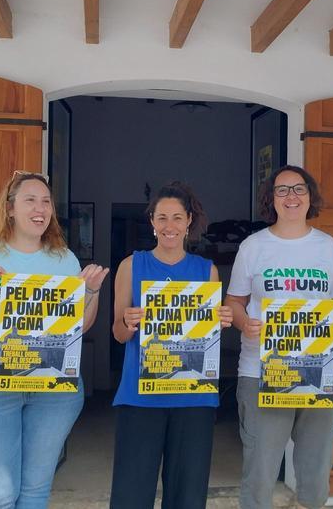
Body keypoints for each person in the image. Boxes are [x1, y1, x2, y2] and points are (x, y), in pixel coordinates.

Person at [0, 171, 109, 509]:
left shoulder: (64, 260)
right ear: (10, 208)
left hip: (51, 380)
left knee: (35, 491)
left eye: (46, 201)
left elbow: (78, 326)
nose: (40, 208)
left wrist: (90, 292)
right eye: (30, 199)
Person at [225, 165, 333, 509]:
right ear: (271, 199)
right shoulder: (253, 246)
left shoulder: (327, 246)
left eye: (298, 189)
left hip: (322, 371)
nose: (291, 197)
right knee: (260, 472)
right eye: (282, 190)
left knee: (314, 474)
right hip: (262, 372)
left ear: (310, 196)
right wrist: (244, 323)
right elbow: (234, 302)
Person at [108, 181, 234, 509]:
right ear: (151, 222)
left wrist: (219, 321)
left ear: (189, 221)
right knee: (131, 494)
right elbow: (118, 334)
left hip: (193, 397)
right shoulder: (130, 265)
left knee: (188, 495)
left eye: (177, 218)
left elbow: (207, 339)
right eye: (162, 218)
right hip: (140, 396)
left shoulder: (206, 270)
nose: (169, 226)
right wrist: (129, 322)